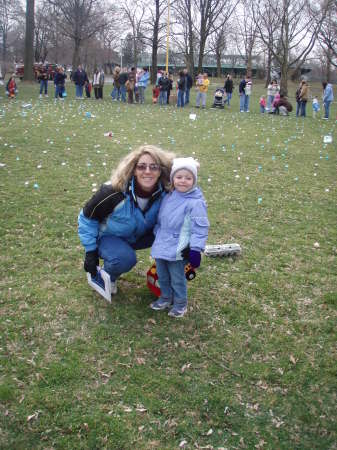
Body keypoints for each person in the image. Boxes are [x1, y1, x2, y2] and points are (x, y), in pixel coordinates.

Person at [78, 145, 175, 296]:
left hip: (138, 236)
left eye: (153, 167)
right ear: (134, 170)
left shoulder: (166, 192)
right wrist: (90, 252)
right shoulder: (113, 192)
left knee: (178, 239)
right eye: (142, 166)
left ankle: (166, 278)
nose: (147, 171)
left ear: (161, 170)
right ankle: (107, 276)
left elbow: (187, 181)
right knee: (124, 258)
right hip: (109, 237)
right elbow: (86, 218)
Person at [150, 157, 209, 318]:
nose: (183, 181)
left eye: (188, 178)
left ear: (194, 180)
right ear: (173, 179)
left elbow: (200, 228)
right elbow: (161, 219)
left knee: (177, 277)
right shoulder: (169, 196)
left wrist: (196, 249)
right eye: (179, 177)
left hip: (179, 249)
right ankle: (165, 297)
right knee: (162, 274)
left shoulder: (196, 203)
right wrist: (157, 233)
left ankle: (180, 303)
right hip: (162, 244)